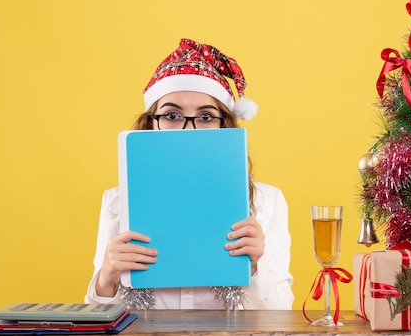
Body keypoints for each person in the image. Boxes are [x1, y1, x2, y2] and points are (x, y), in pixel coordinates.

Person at [85, 38, 294, 310]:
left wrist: (254, 267)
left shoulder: (269, 201)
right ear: (151, 125)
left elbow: (279, 314)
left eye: (206, 117)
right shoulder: (116, 200)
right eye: (172, 115)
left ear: (225, 127)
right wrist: (106, 277)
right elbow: (97, 317)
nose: (188, 130)